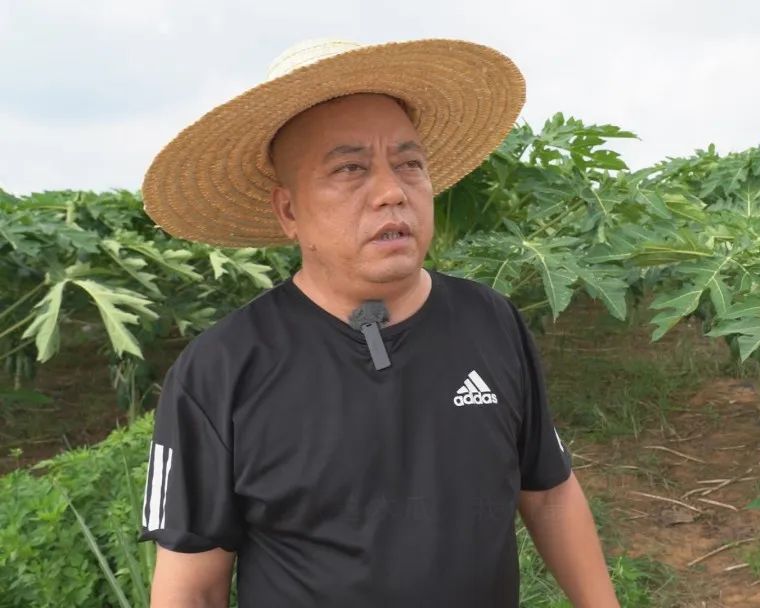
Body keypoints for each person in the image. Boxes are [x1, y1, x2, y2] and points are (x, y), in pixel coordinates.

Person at [136, 38, 619, 607]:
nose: (392, 192)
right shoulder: (221, 370)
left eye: (409, 164)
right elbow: (192, 588)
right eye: (350, 169)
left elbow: (549, 494)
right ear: (288, 210)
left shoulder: (491, 322)